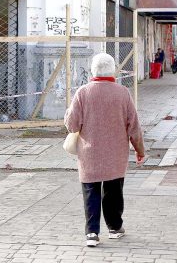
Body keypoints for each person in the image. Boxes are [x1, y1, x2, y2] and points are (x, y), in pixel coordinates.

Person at [64, 53, 145, 248]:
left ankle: (92, 232)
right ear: (113, 69)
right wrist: (139, 149)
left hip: (89, 155)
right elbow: (133, 126)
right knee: (114, 192)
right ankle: (115, 228)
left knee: (90, 191)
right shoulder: (123, 93)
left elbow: (72, 125)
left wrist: (69, 113)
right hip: (116, 155)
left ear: (93, 70)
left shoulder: (83, 92)